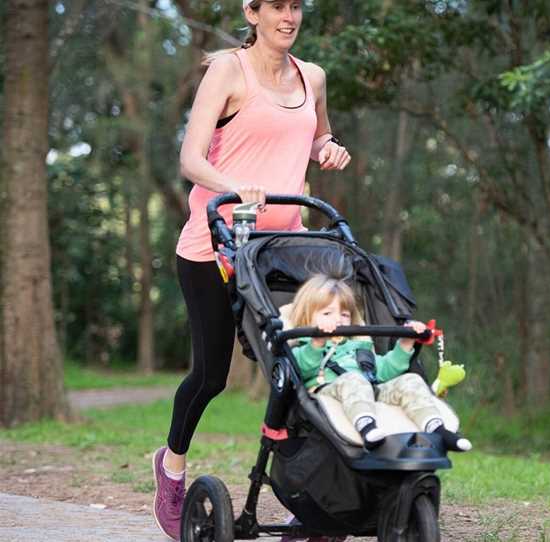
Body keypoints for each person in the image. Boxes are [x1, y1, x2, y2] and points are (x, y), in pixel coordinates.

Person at [152, 1, 351, 540]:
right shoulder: (227, 71)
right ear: (253, 11)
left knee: (303, 369)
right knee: (212, 373)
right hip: (213, 245)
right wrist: (233, 186)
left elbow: (315, 137)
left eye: (295, 6)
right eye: (277, 6)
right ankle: (171, 466)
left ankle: (302, 494)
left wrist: (328, 150)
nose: (288, 16)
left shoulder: (313, 77)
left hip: (283, 250)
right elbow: (191, 158)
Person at [282, 274, 473, 452]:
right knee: (354, 379)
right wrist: (317, 341)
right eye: (327, 313)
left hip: (370, 390)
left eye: (345, 314)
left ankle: (437, 429)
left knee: (411, 380)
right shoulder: (303, 347)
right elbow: (302, 369)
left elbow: (383, 372)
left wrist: (406, 343)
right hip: (326, 395)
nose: (338, 319)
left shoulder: (358, 347)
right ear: (307, 317)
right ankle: (367, 428)